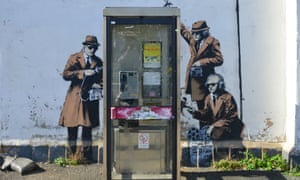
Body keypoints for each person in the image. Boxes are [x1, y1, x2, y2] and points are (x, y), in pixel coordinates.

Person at [58, 35, 103, 162]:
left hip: (89, 99)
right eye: (90, 47)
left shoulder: (98, 62)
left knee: (87, 128)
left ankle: (86, 157)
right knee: (72, 127)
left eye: (95, 48)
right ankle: (72, 156)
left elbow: (103, 79)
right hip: (75, 97)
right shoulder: (74, 58)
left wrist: (98, 85)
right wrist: (82, 73)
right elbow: (66, 74)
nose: (92, 50)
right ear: (84, 46)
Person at [180, 20, 223, 113]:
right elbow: (184, 33)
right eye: (193, 33)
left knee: (208, 109)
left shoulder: (213, 42)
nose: (194, 36)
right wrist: (178, 21)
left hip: (206, 81)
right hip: (196, 82)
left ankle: (207, 127)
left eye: (197, 33)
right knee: (201, 110)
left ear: (204, 33)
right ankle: (203, 127)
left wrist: (202, 62)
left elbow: (219, 59)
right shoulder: (194, 41)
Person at [192, 73, 244, 140]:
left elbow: (230, 118)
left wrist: (213, 126)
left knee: (216, 134)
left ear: (220, 84)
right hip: (215, 128)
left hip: (228, 129)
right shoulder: (208, 98)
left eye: (213, 84)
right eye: (208, 85)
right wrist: (196, 113)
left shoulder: (228, 97)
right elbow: (207, 114)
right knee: (205, 133)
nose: (210, 87)